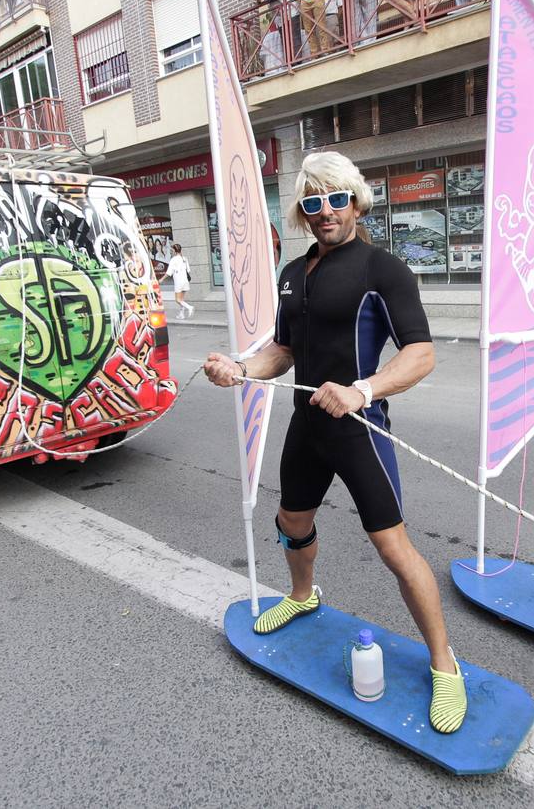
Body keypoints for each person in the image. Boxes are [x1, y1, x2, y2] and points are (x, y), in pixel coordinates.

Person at [202, 151, 467, 735]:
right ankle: (303, 594)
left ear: (356, 201)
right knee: (290, 520)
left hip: (357, 429)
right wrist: (240, 368)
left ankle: (445, 665)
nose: (325, 212)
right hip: (306, 426)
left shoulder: (382, 269)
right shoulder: (294, 272)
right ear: (302, 210)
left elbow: (421, 355)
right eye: (313, 201)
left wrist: (361, 390)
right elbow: (283, 351)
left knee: (394, 549)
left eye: (336, 199)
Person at [257, 0, 299, 66]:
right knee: (284, 40)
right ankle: (289, 63)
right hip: (278, 15)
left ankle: (297, 63)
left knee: (294, 37)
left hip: (290, 11)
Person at [161, 243, 194, 319]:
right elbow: (188, 270)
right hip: (185, 281)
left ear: (175, 251)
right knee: (181, 299)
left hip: (179, 282)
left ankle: (189, 307)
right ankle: (181, 315)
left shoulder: (173, 259)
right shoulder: (184, 258)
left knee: (178, 300)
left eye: (172, 250)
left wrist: (161, 279)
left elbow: (169, 273)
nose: (171, 252)